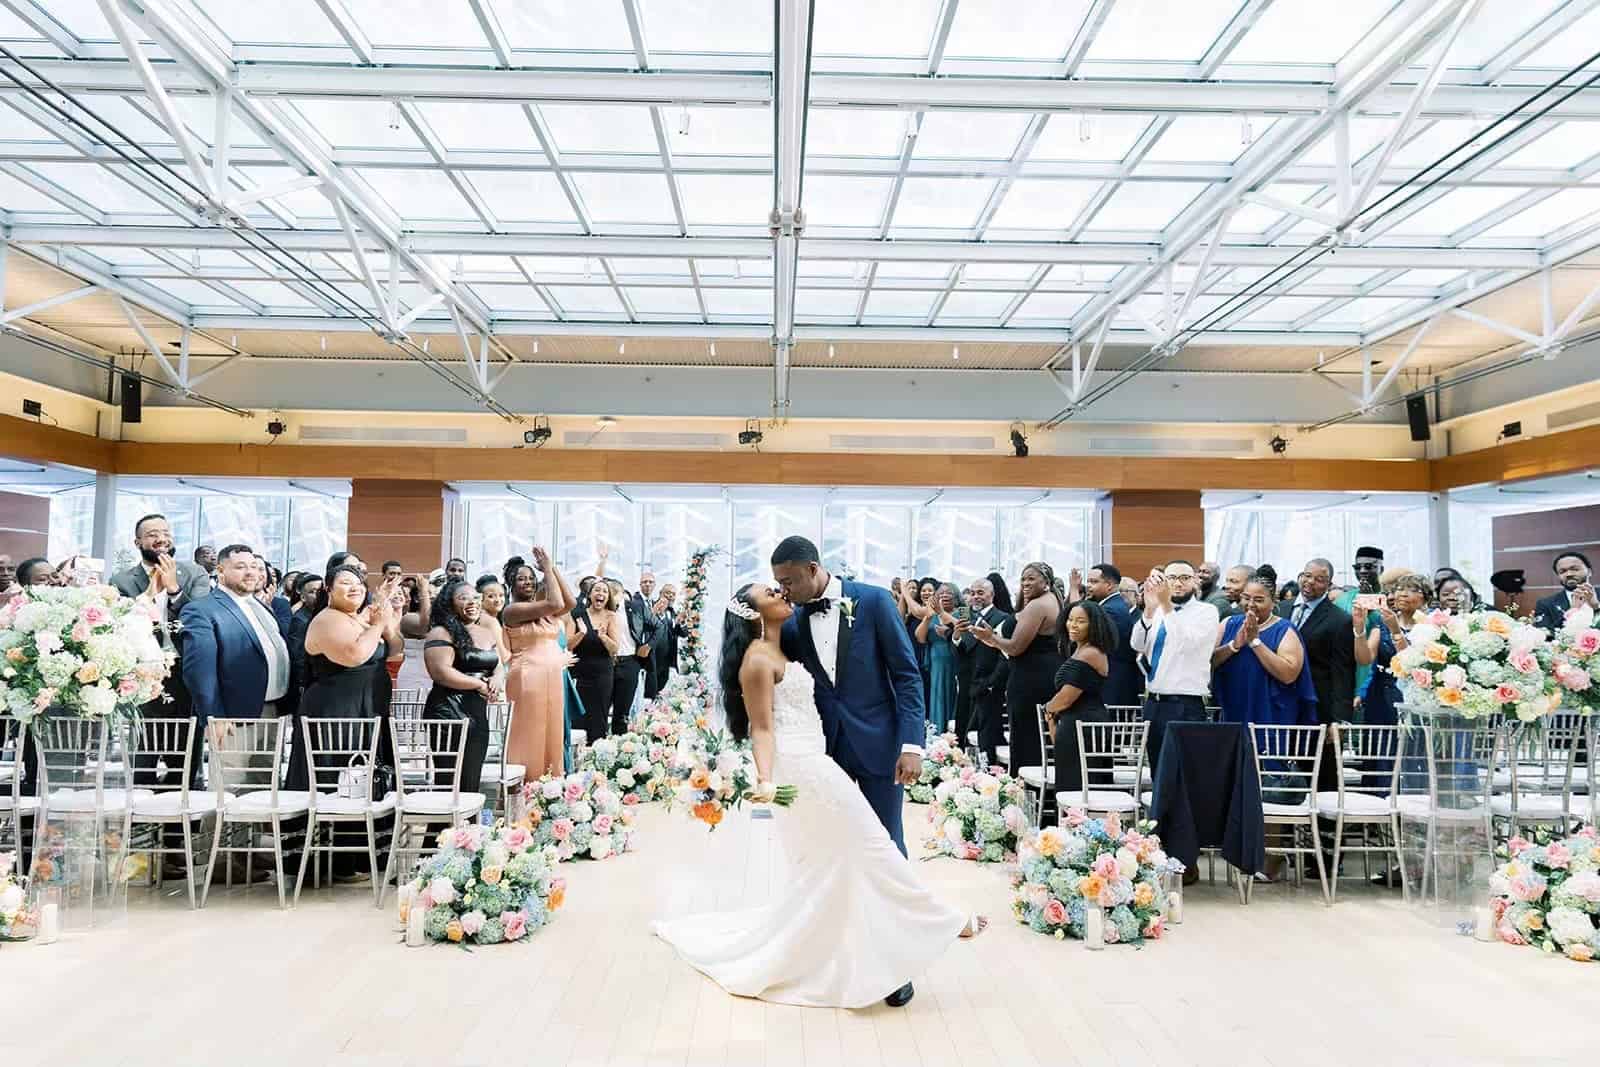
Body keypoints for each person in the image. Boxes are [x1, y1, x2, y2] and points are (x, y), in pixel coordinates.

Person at [652, 582, 984, 1009]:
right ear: (755, 614)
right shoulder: (756, 660)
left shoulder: (786, 640)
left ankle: (872, 948)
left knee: (843, 860)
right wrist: (767, 779)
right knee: (872, 844)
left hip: (826, 754)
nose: (783, 594)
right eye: (772, 593)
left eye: (782, 585)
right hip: (804, 768)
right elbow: (762, 729)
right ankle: (942, 920)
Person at [769, 536, 938, 1008]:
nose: (783, 590)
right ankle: (849, 955)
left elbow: (907, 676)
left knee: (886, 847)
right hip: (827, 754)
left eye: (788, 581)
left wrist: (911, 745)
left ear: (812, 568)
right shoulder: (793, 621)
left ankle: (899, 964)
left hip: (884, 748)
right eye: (777, 583)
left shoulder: (875, 602)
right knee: (839, 852)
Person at [292, 564, 403, 877]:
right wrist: (377, 622)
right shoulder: (326, 620)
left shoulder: (359, 617)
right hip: (335, 712)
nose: (353, 588)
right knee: (340, 774)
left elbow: (395, 650)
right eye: (344, 583)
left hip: (367, 709)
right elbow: (355, 655)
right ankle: (334, 860)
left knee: (367, 774)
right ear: (329, 589)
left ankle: (363, 855)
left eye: (358, 583)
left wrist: (384, 615)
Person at [179, 543, 291, 731]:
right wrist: (214, 717)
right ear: (221, 571)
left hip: (273, 712)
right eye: (240, 567)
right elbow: (199, 671)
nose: (250, 572)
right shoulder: (202, 610)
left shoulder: (262, 606)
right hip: (232, 718)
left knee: (269, 763)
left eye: (254, 566)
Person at [966, 562, 1063, 777]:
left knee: (1026, 734)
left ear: (1046, 582)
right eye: (1023, 579)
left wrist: (991, 637)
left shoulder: (1038, 606)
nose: (1026, 583)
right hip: (1041, 674)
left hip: (1031, 679)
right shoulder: (1049, 600)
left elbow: (1016, 648)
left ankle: (1026, 789)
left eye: (1031, 578)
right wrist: (993, 640)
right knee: (1034, 735)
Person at [110, 512, 212, 716]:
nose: (161, 539)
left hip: (188, 668)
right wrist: (149, 595)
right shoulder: (121, 581)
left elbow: (202, 618)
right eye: (152, 534)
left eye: (165, 533)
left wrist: (174, 589)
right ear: (137, 542)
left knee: (189, 741)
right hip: (145, 672)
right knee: (148, 742)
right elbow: (122, 626)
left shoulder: (195, 572)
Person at [1130, 561, 1219, 779]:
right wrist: (1149, 611)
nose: (1177, 583)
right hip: (1153, 702)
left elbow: (1184, 643)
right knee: (1158, 773)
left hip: (1185, 703)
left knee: (1184, 774)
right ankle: (1158, 814)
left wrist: (1166, 607)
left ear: (1195, 580)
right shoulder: (1159, 611)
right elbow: (1137, 645)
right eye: (1171, 578)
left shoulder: (1206, 611)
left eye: (1184, 578)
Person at [1277, 558, 1354, 790]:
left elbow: (1343, 672)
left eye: (1319, 579)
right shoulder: (1280, 610)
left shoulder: (1340, 620)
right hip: (1281, 701)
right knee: (1280, 766)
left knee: (1320, 771)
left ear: (1329, 584)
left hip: (1319, 705)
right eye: (1306, 575)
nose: (1310, 582)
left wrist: (1339, 719)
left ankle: (1323, 824)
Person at [502, 549, 577, 780]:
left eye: (531, 578)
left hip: (552, 678)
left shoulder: (546, 611)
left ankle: (550, 784)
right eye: (521, 578)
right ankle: (526, 784)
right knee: (531, 733)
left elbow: (569, 602)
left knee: (552, 731)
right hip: (527, 677)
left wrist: (552, 568)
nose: (528, 582)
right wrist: (545, 568)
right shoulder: (512, 611)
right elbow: (556, 602)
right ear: (511, 585)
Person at [421, 579, 501, 795]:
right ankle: (443, 828)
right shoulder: (440, 632)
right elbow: (440, 672)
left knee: (471, 778)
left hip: (476, 711)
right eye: (463, 598)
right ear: (449, 604)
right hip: (448, 712)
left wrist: (497, 678)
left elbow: (498, 664)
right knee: (448, 781)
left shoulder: (486, 632)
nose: (472, 602)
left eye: (475, 597)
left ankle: (469, 828)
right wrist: (478, 684)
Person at [1211, 577, 1316, 727]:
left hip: (1269, 713)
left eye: (1259, 600)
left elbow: (1289, 675)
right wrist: (1233, 645)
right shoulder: (1228, 623)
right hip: (1232, 706)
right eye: (1246, 598)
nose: (1251, 605)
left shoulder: (1284, 629)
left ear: (1273, 602)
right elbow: (1209, 662)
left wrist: (1255, 642)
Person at [1043, 600, 1114, 800]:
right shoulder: (1080, 649)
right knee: (1073, 787)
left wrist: (1049, 709)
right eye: (1070, 619)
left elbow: (1065, 699)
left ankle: (1078, 829)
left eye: (1080, 621)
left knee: (1079, 791)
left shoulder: (1091, 653)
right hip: (1077, 724)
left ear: (1094, 625)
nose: (1072, 625)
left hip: (1085, 727)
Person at [958, 578, 1013, 767]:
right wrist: (957, 636)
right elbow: (963, 651)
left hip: (989, 686)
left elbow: (1004, 655)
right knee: (967, 733)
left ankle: (988, 775)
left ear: (992, 594)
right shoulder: (967, 619)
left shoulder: (1003, 618)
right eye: (972, 593)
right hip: (969, 683)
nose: (975, 597)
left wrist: (992, 682)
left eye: (980, 593)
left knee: (987, 735)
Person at [567, 576, 622, 743]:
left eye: (605, 591)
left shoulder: (611, 617)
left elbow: (615, 649)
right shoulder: (577, 615)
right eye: (597, 590)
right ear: (589, 595)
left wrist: (604, 637)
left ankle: (597, 753)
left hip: (602, 675)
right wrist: (581, 633)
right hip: (579, 673)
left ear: (608, 598)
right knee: (578, 716)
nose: (601, 593)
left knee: (599, 717)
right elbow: (569, 645)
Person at [1081, 563, 1141, 708]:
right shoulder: (1110, 605)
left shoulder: (1111, 609)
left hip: (1113, 682)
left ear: (1109, 585)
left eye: (1094, 582)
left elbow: (1088, 640)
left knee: (1109, 729)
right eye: (1088, 581)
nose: (1088, 586)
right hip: (1112, 680)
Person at [916, 583, 961, 734]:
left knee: (955, 695)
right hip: (937, 661)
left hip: (957, 658)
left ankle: (955, 735)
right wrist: (928, 617)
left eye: (949, 593)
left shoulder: (963, 611)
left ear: (956, 596)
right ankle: (937, 735)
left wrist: (942, 613)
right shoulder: (932, 614)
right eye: (941, 593)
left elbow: (966, 630)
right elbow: (920, 638)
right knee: (938, 696)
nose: (944, 595)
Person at [1535, 551, 1597, 634]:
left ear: (1589, 572)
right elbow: (1545, 636)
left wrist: (1596, 607)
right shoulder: (1545, 604)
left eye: (1574, 569)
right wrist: (1572, 611)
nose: (1569, 574)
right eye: (1562, 571)